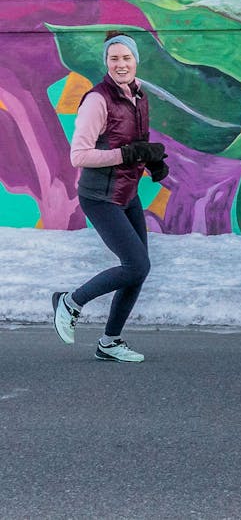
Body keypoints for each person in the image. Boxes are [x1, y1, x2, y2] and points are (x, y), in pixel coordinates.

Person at [51, 34, 168, 363]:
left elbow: (134, 139)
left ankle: (110, 342)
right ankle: (71, 302)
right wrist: (127, 154)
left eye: (126, 58)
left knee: (137, 269)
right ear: (106, 62)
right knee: (136, 263)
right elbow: (80, 156)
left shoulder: (139, 94)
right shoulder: (97, 100)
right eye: (114, 58)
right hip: (100, 196)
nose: (121, 64)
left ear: (135, 61)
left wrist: (150, 160)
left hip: (127, 192)